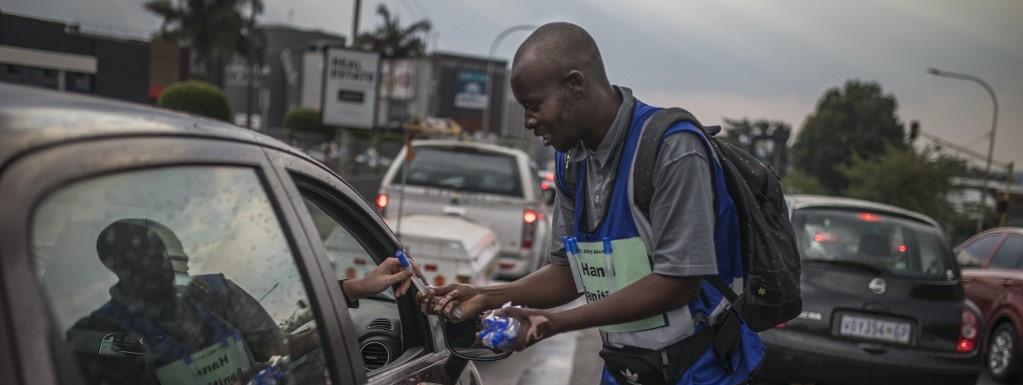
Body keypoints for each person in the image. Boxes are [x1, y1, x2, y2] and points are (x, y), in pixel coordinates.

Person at [419, 22, 763, 385]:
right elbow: (569, 273)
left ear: (576, 85)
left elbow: (679, 281)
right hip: (626, 368)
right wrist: (487, 295)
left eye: (534, 106)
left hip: (701, 371)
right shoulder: (570, 162)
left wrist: (553, 323)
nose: (529, 122)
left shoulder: (672, 150)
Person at [66, 218, 413, 385]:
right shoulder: (100, 333)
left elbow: (275, 344)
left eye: (163, 253)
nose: (158, 264)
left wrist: (336, 312)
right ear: (116, 267)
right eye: (143, 255)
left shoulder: (214, 293)